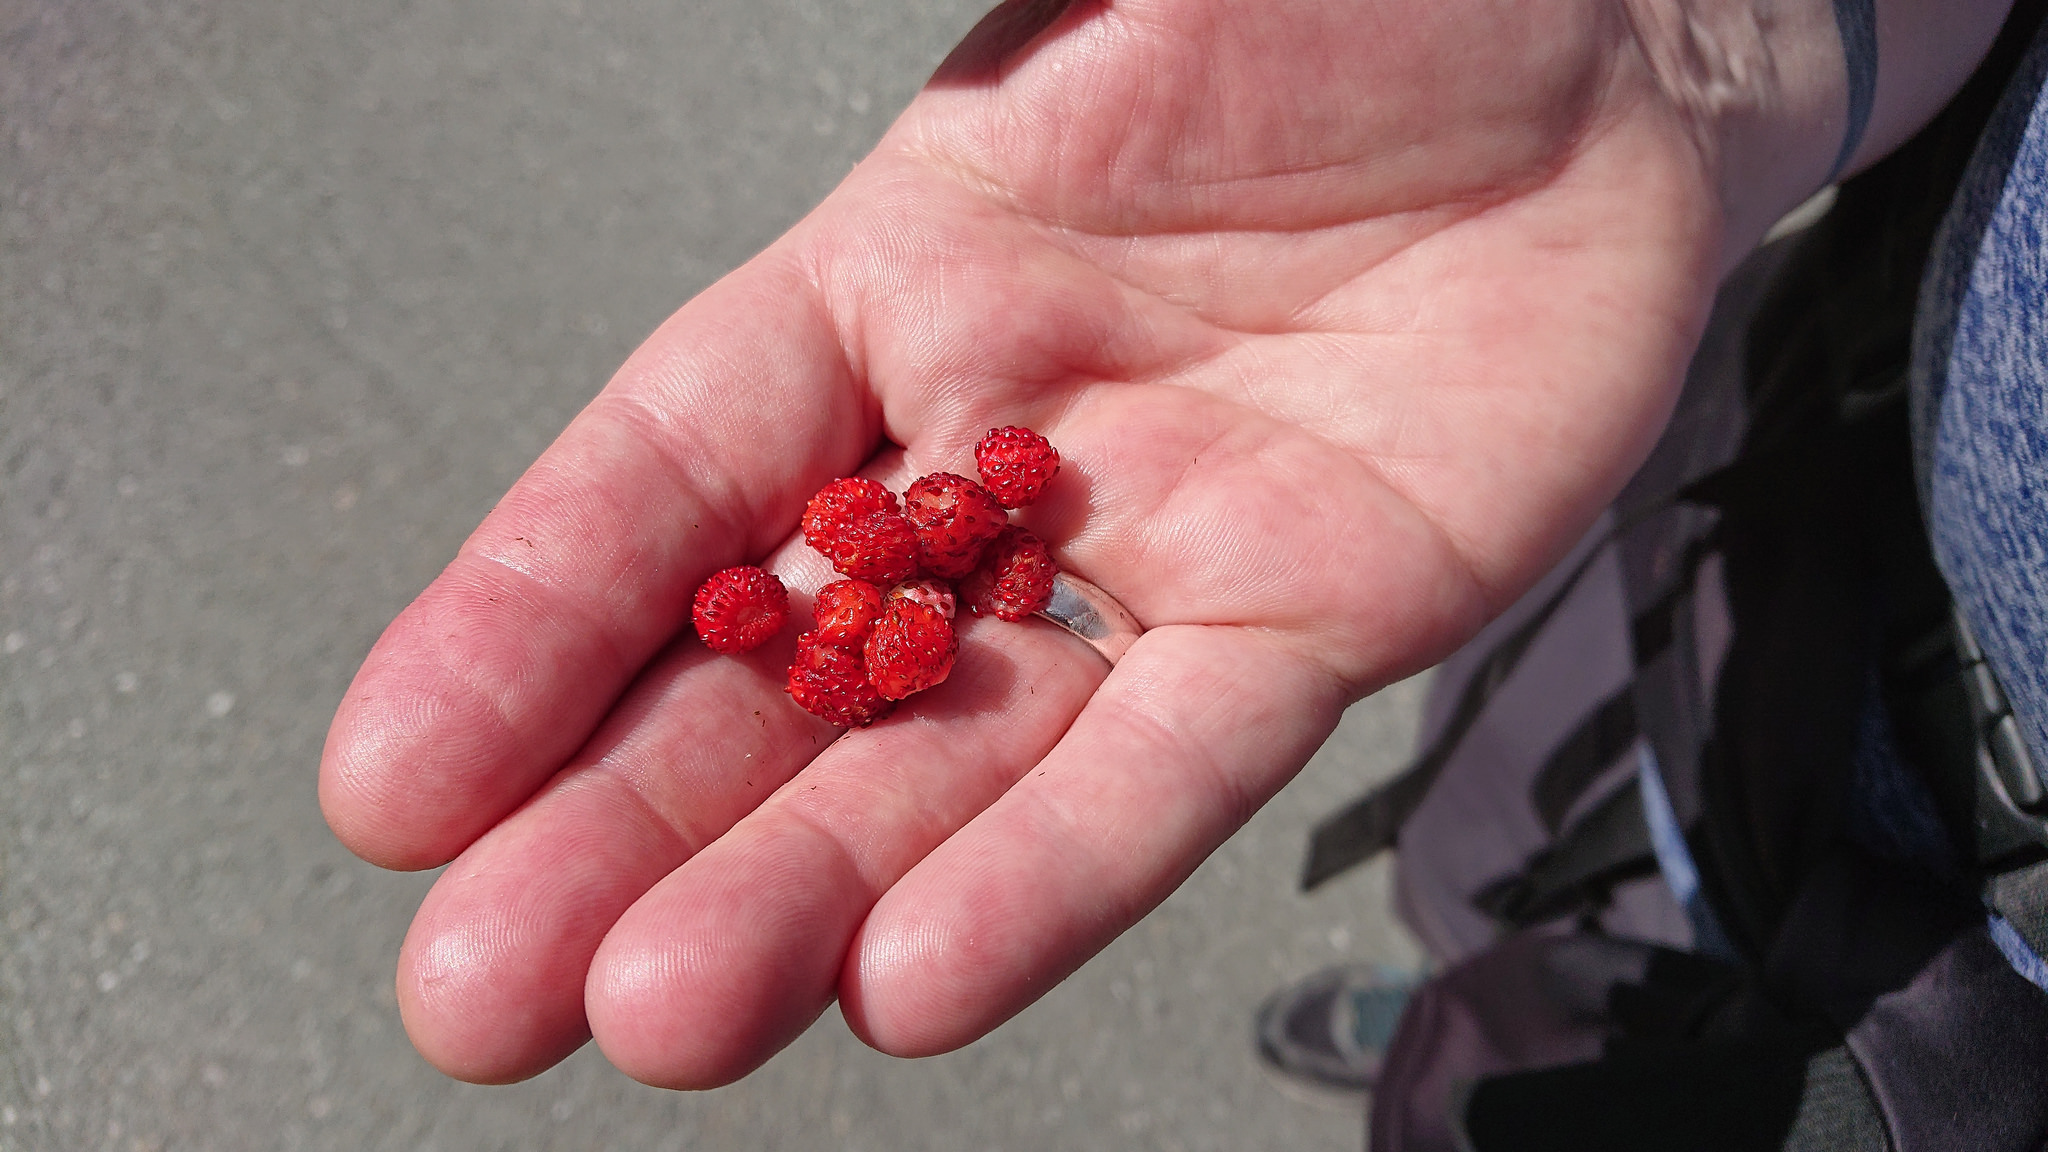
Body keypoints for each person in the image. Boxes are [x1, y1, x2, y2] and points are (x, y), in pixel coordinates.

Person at [317, 0, 2016, 1124]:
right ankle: (1485, 1004)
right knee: (1546, 844)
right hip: (1804, 519)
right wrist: (1674, 36)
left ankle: (1512, 1017)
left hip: (1977, 987)